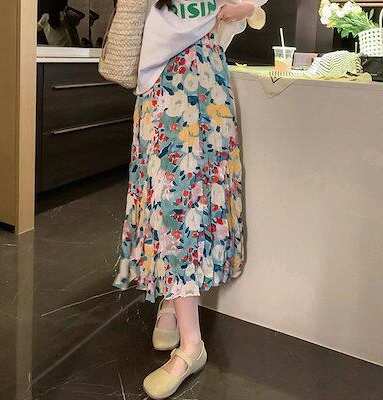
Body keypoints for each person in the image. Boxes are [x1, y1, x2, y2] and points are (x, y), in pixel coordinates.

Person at [112, 1, 267, 398]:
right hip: (160, 79)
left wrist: (248, 7)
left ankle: (191, 344)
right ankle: (174, 303)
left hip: (203, 73)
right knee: (166, 199)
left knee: (188, 201)